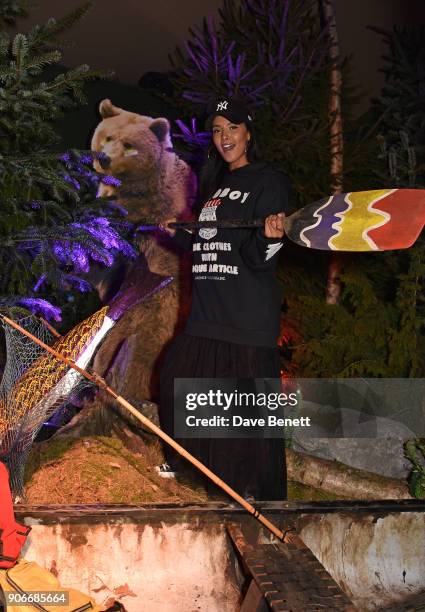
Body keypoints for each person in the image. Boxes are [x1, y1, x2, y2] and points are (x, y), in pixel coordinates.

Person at [159, 97, 290, 501]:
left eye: (232, 127)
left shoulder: (269, 181)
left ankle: (252, 491)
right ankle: (193, 466)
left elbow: (256, 256)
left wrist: (270, 238)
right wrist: (181, 233)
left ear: (249, 132)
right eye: (217, 130)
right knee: (174, 381)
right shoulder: (217, 185)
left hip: (245, 313)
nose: (224, 137)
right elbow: (211, 242)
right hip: (208, 309)